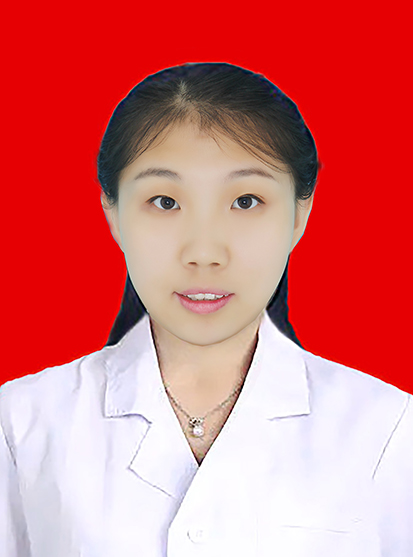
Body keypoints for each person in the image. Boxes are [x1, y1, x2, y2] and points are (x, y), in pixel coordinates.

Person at [0, 63, 411, 557]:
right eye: (165, 202)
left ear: (300, 214)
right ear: (112, 212)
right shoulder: (21, 424)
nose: (204, 252)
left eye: (245, 201)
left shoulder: (388, 431)